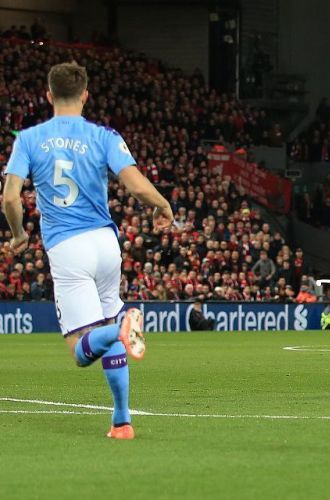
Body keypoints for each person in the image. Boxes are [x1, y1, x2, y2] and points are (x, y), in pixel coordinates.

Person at [2, 62, 174, 440]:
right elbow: (137, 186)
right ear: (85, 95)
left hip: (68, 248)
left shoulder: (29, 139)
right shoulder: (104, 136)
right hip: (105, 244)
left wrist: (17, 235)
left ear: (48, 96)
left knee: (82, 350)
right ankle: (122, 421)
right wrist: (163, 205)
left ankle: (120, 325)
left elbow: (10, 198)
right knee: (110, 328)